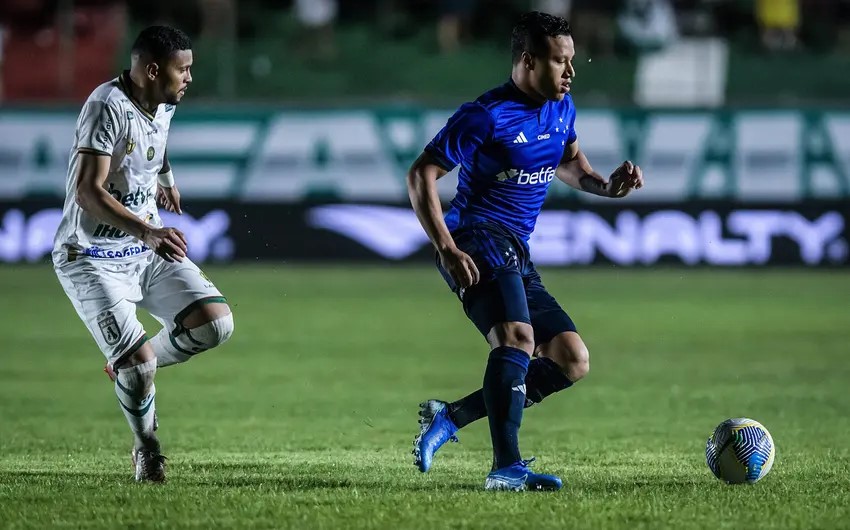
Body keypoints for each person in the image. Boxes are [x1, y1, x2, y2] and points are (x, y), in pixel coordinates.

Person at [407, 11, 643, 491]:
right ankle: (506, 468)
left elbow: (571, 164)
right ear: (528, 61)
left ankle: (451, 416)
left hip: (516, 249)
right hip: (475, 238)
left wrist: (607, 186)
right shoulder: (485, 114)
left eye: (572, 60)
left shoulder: (562, 108)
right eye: (560, 61)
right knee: (517, 337)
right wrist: (447, 247)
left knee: (571, 358)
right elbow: (421, 174)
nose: (571, 72)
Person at [52, 25, 234, 483]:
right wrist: (150, 232)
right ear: (153, 70)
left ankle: (132, 362)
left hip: (140, 245)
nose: (190, 77)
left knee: (215, 324)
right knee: (139, 367)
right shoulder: (105, 107)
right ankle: (147, 446)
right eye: (183, 69)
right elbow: (87, 192)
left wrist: (166, 177)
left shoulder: (160, 99)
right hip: (89, 254)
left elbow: (156, 135)